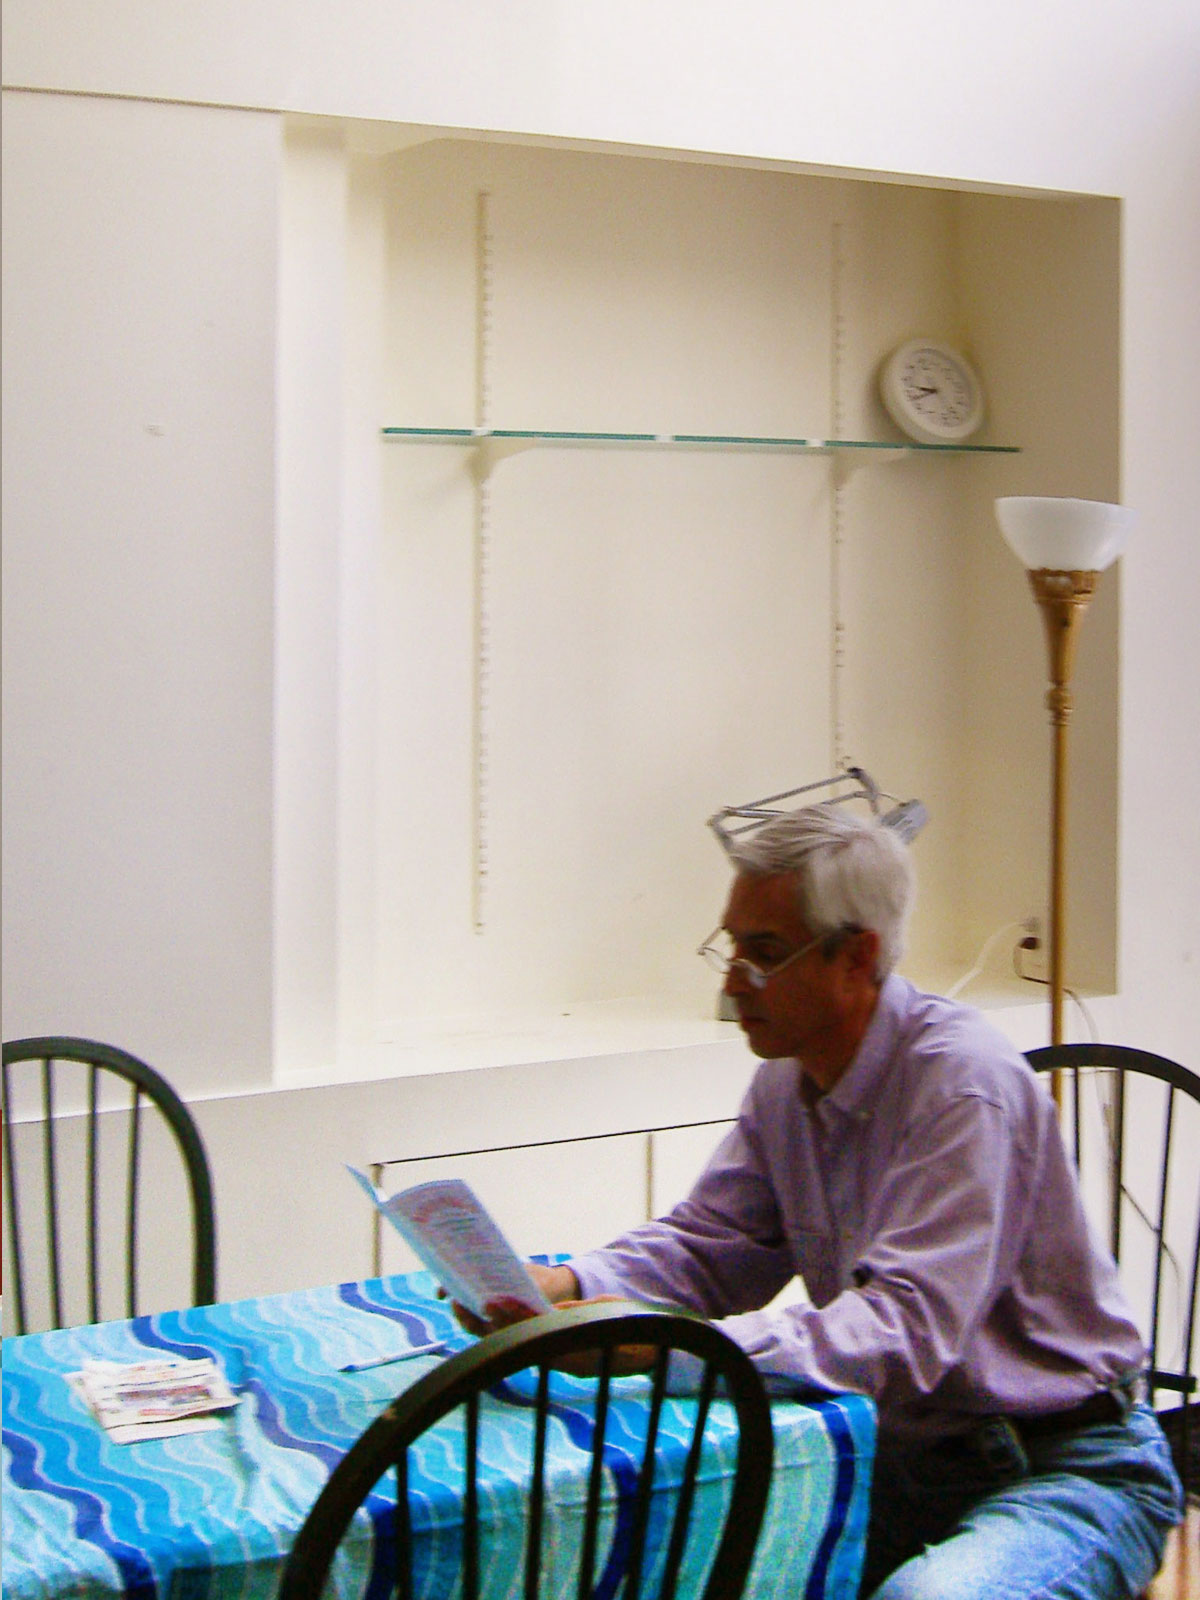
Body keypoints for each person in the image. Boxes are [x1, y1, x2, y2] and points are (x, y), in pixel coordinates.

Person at [464, 802, 1183, 1598]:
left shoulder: (962, 1085)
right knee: (661, 1558)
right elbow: (709, 1246)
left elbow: (902, 1332)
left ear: (856, 956)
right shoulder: (789, 1075)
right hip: (895, 1460)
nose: (735, 982)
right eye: (732, 948)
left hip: (1067, 1467)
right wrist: (570, 1286)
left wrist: (666, 1351)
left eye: (764, 953)